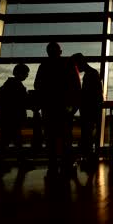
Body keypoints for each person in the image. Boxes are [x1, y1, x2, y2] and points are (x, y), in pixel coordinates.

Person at [34, 42, 81, 176]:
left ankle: (53, 162)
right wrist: (73, 106)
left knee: (50, 136)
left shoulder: (44, 66)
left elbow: (37, 85)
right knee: (66, 135)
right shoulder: (69, 64)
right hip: (64, 107)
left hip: (49, 107)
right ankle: (66, 161)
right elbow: (77, 86)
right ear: (60, 52)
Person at [0, 63, 31, 173]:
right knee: (13, 141)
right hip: (13, 118)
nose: (27, 76)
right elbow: (22, 101)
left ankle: (1, 164)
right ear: (21, 73)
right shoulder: (17, 85)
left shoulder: (8, 84)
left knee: (8, 141)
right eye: (26, 73)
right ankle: (2, 164)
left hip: (7, 117)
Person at [71, 53, 103, 169]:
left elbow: (87, 95)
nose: (76, 69)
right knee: (88, 135)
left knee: (87, 135)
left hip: (88, 110)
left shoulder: (90, 75)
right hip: (92, 110)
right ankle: (87, 159)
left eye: (76, 66)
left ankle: (86, 158)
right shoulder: (92, 73)